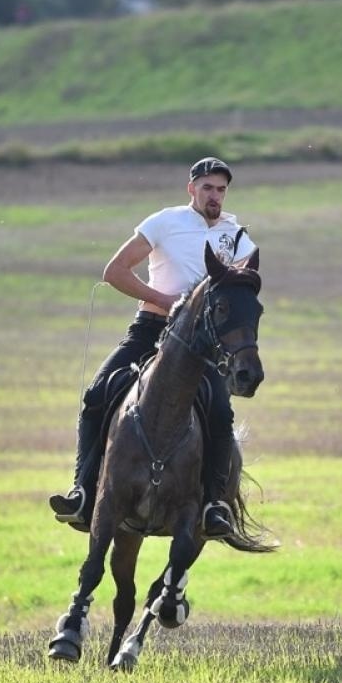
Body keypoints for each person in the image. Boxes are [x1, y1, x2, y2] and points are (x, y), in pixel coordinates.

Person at [49, 157, 257, 539]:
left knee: (220, 413)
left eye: (221, 189)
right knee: (97, 395)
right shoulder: (164, 222)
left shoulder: (237, 235)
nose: (215, 196)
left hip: (200, 346)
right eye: (207, 188)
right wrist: (164, 299)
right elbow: (115, 271)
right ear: (191, 189)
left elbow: (242, 288)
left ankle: (214, 505)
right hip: (151, 328)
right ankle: (82, 491)